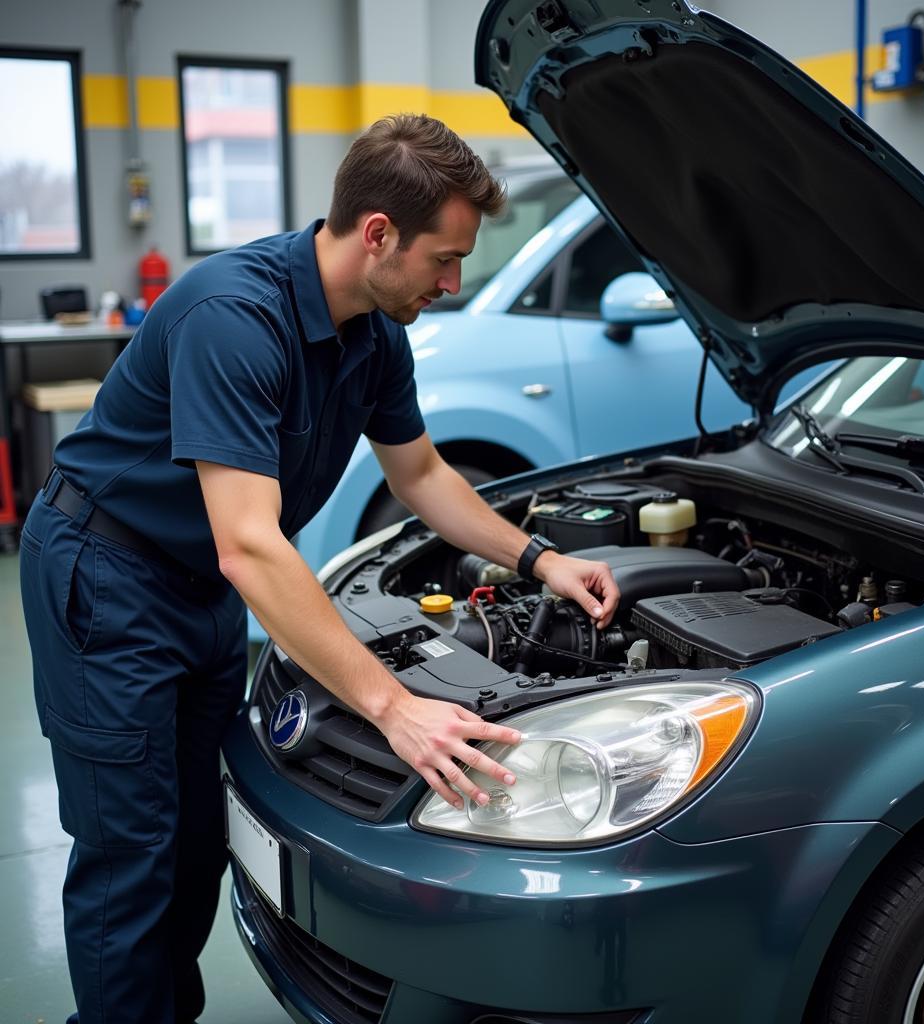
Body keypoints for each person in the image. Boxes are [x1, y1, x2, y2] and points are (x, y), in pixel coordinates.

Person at [19, 113, 619, 1024]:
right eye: (443, 260)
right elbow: (251, 542)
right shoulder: (235, 318)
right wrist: (394, 705)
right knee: (129, 853)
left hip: (198, 587)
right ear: (378, 234)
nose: (453, 285)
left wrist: (541, 559)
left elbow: (420, 473)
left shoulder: (374, 333)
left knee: (191, 845)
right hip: (107, 572)